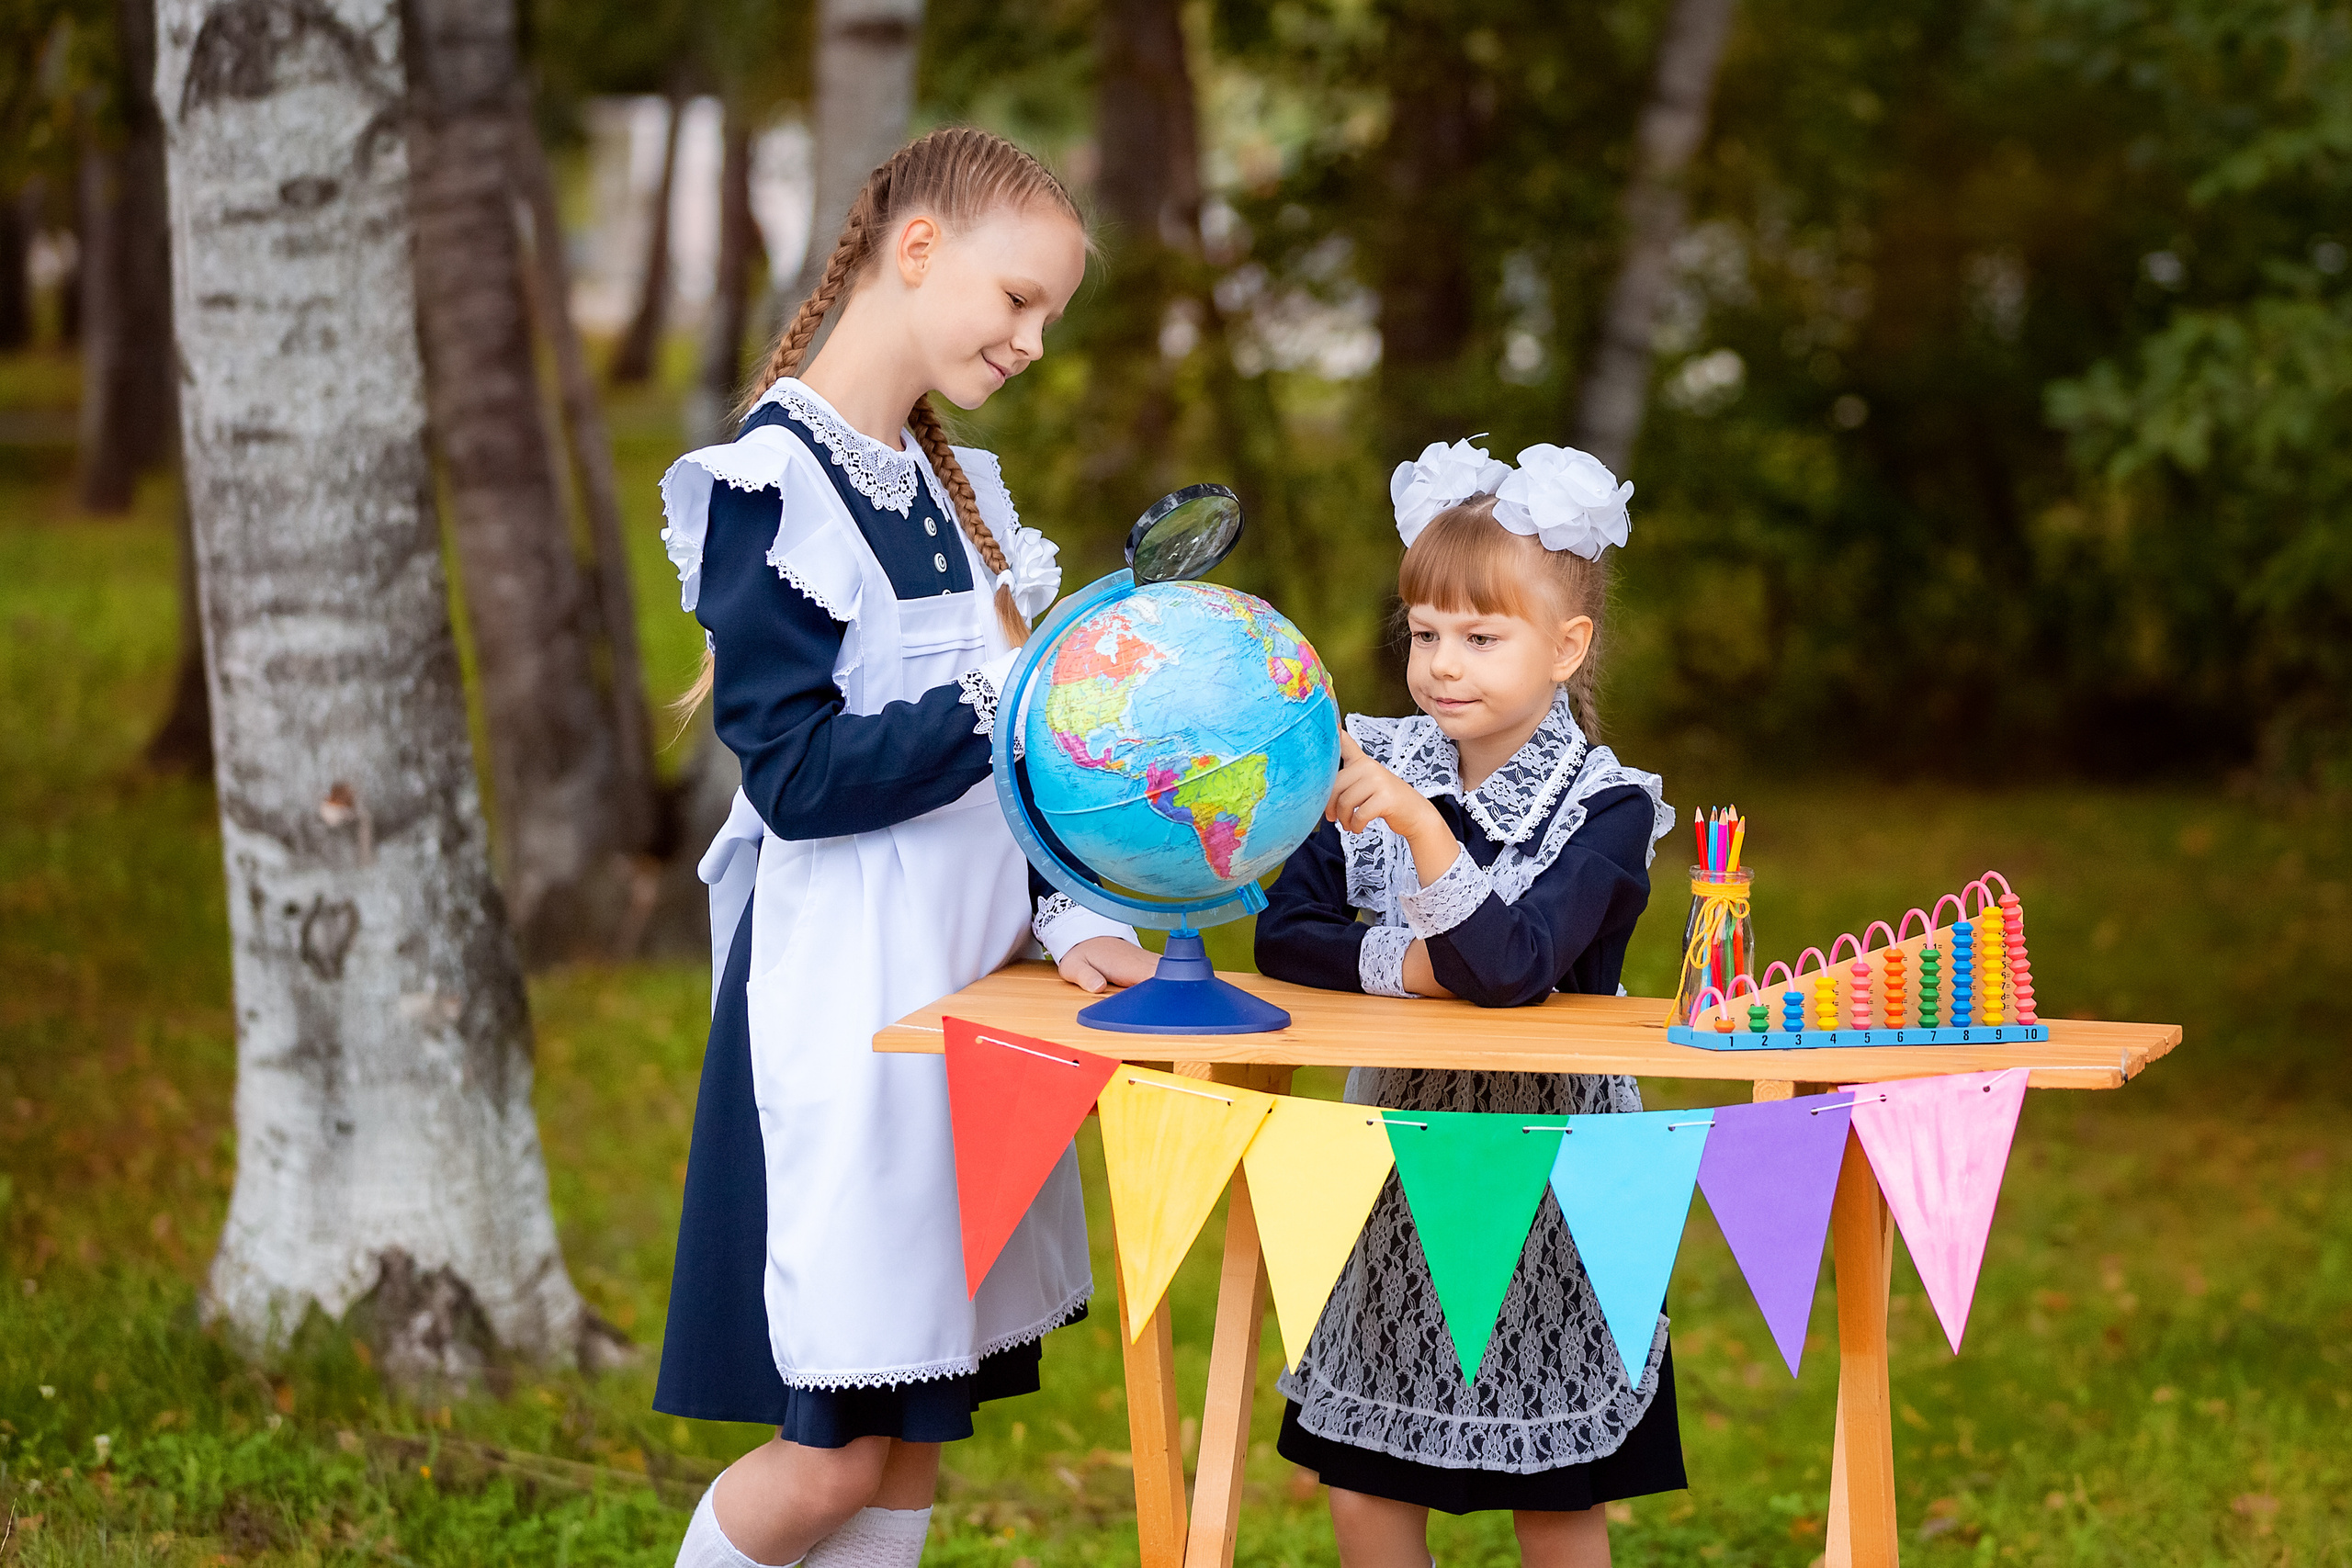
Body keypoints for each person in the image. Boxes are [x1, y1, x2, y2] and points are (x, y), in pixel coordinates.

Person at [652, 127, 1158, 1568]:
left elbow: (1016, 776)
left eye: (1050, 314)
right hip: (840, 1013)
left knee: (908, 1447)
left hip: (966, 1015)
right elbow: (802, 777)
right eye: (1017, 300)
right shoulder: (768, 489)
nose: (1035, 340)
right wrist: (1001, 693)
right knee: (828, 1460)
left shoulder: (965, 494)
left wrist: (1071, 921)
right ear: (918, 249)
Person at [1254, 437, 1683, 1568]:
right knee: (1364, 1480)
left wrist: (1419, 830)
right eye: (1425, 634)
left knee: (1555, 1490)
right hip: (1395, 1161)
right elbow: (1286, 933)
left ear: (1564, 648)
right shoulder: (1370, 756)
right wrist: (1413, 960)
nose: (1443, 665)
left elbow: (1513, 967)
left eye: (1481, 638)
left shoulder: (1606, 810)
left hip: (1556, 1174)